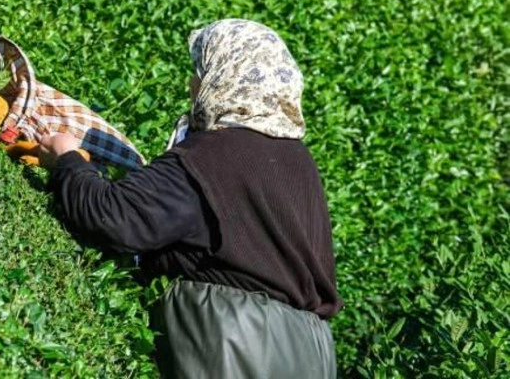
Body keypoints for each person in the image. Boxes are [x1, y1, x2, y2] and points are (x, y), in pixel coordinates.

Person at [38, 19, 342, 378]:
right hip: (311, 354)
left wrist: (67, 161)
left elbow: (116, 218)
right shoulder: (298, 161)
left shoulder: (217, 154)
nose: (191, 84)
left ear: (224, 76)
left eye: (199, 71)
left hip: (238, 344)